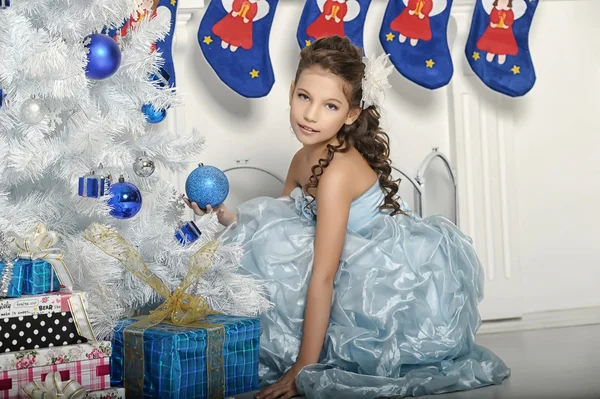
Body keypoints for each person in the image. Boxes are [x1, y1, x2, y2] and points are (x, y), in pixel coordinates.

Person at [186, 35, 510, 399]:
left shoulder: (336, 172)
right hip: (335, 255)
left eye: (330, 106)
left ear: (351, 114)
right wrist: (222, 215)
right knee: (272, 246)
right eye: (304, 97)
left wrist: (302, 368)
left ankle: (307, 352)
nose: (310, 115)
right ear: (291, 91)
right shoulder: (302, 157)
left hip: (382, 274)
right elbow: (274, 224)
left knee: (308, 276)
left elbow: (324, 275)